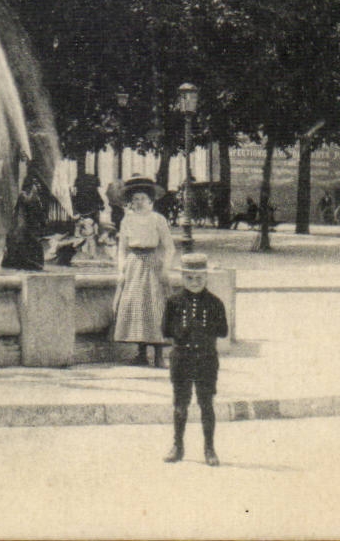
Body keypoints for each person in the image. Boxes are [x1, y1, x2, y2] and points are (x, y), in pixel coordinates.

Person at [162, 253, 230, 466]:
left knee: (206, 403)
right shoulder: (173, 302)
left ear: (206, 277)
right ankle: (177, 446)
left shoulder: (215, 303)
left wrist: (203, 328)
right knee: (180, 403)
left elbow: (223, 331)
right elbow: (165, 330)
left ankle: (209, 449)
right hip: (181, 359)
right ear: (182, 278)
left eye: (199, 278)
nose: (194, 282)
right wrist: (181, 330)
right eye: (189, 278)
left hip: (206, 359)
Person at [114, 178, 175, 368]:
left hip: (152, 263)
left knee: (155, 306)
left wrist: (165, 268)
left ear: (150, 201)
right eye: (135, 199)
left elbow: (169, 247)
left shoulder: (158, 219)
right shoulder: (127, 220)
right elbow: (122, 248)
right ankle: (141, 354)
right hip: (134, 264)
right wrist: (121, 270)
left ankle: (159, 355)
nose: (139, 202)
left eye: (142, 198)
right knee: (137, 307)